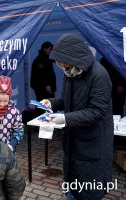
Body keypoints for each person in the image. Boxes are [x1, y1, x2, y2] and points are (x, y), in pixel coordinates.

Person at [40, 33, 114, 200]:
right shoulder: (71, 73)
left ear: (74, 57)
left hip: (92, 145)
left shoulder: (99, 75)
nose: (62, 67)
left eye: (64, 63)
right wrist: (51, 103)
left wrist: (65, 119)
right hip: (73, 142)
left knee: (88, 193)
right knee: (72, 189)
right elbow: (67, 99)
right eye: (60, 64)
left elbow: (97, 111)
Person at [0, 75, 24, 152]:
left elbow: (19, 130)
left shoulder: (13, 112)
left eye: (5, 101)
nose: (2, 104)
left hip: (7, 151)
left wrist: (11, 145)